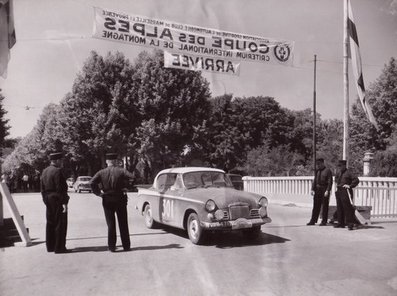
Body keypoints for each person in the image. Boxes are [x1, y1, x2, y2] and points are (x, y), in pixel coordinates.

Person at [90, 153, 135, 252]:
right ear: (115, 161)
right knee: (123, 223)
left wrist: (98, 193)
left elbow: (92, 182)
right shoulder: (121, 170)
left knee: (110, 224)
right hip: (120, 198)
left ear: (107, 162)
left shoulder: (101, 172)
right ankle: (126, 246)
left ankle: (111, 246)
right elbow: (132, 177)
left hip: (107, 198)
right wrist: (127, 187)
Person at [40, 152, 70, 253]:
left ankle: (50, 246)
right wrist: (64, 202)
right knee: (60, 223)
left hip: (48, 198)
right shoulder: (58, 171)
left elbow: (42, 188)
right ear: (57, 161)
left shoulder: (45, 171)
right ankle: (59, 247)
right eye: (61, 160)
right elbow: (61, 188)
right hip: (57, 199)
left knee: (50, 223)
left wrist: (45, 199)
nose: (62, 162)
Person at [334, 160, 360, 230]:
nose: (339, 167)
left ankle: (350, 224)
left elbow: (356, 180)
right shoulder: (338, 172)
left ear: (344, 165)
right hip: (339, 190)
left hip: (346, 191)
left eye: (340, 166)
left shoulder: (349, 172)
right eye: (338, 166)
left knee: (347, 208)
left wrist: (350, 185)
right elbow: (336, 179)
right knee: (339, 208)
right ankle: (340, 223)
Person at [307, 158, 333, 226]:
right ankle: (313, 220)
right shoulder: (317, 171)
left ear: (322, 163)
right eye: (317, 164)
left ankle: (324, 221)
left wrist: (327, 190)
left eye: (319, 164)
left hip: (324, 189)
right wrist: (312, 189)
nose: (318, 165)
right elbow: (315, 180)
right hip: (317, 189)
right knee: (316, 205)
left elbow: (330, 182)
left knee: (324, 206)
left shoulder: (328, 171)